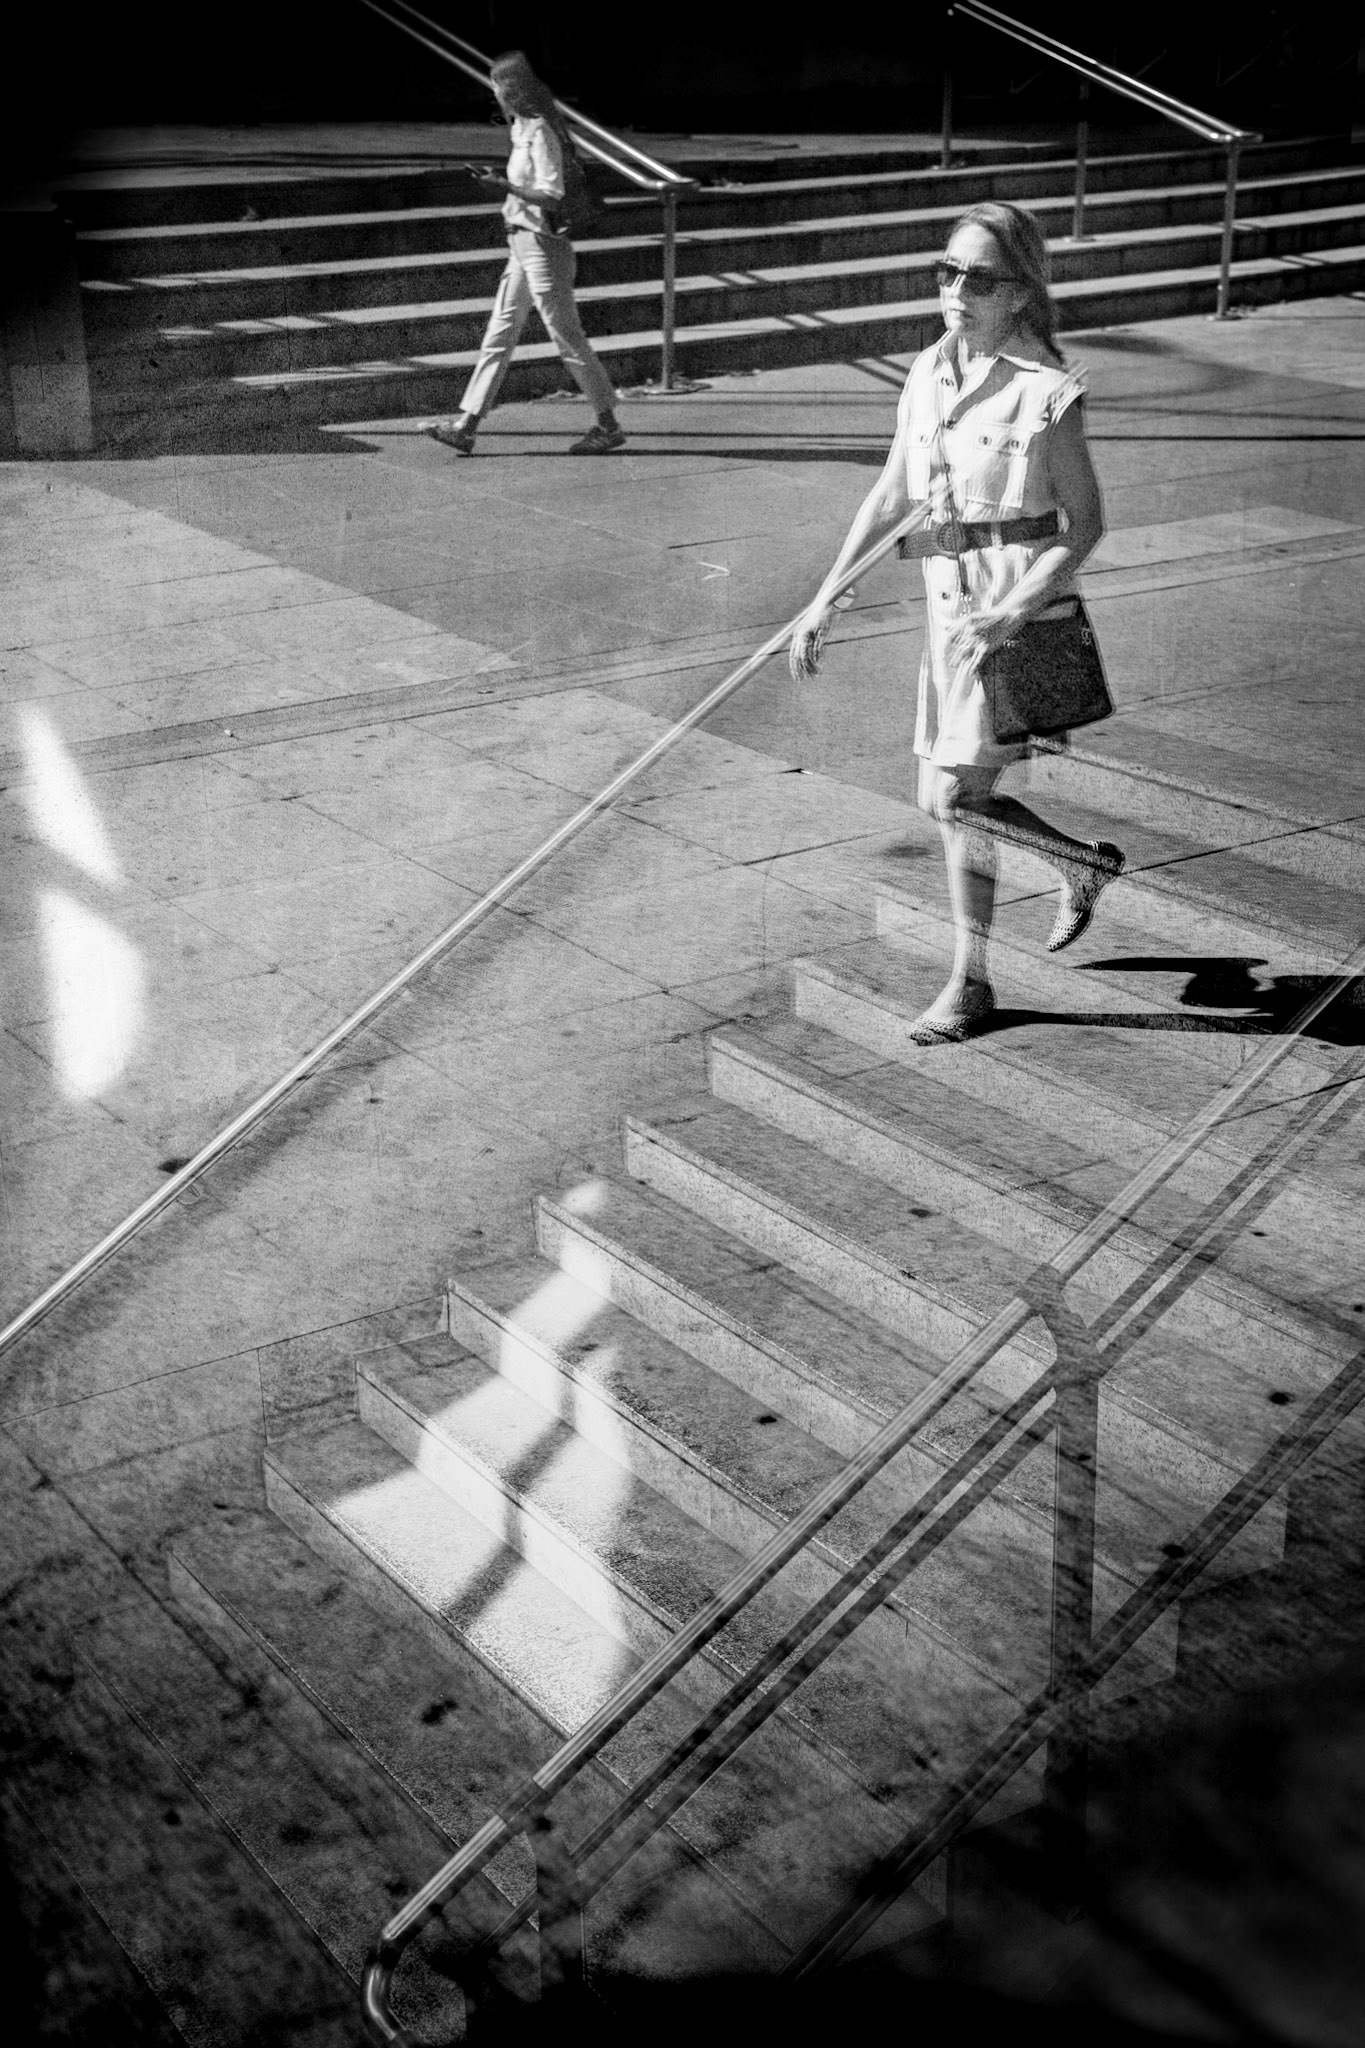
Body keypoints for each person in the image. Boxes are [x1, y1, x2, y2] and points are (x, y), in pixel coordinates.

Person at [789, 201, 1123, 1044]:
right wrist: (826, 593)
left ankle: (970, 982)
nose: (955, 290)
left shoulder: (1048, 393)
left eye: (978, 277)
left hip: (1012, 607)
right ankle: (1075, 864)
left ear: (1019, 292)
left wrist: (1010, 615)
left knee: (950, 796)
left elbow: (1082, 525)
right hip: (948, 605)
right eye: (947, 271)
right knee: (948, 797)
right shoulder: (927, 371)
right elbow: (893, 493)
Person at [427, 50, 626, 458]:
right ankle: (466, 425)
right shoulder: (520, 129)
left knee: (566, 336)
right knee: (498, 334)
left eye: (497, 87)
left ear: (510, 90)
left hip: (543, 248)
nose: (494, 94)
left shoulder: (541, 133)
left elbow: (552, 196)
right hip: (520, 245)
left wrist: (506, 186)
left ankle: (608, 425)